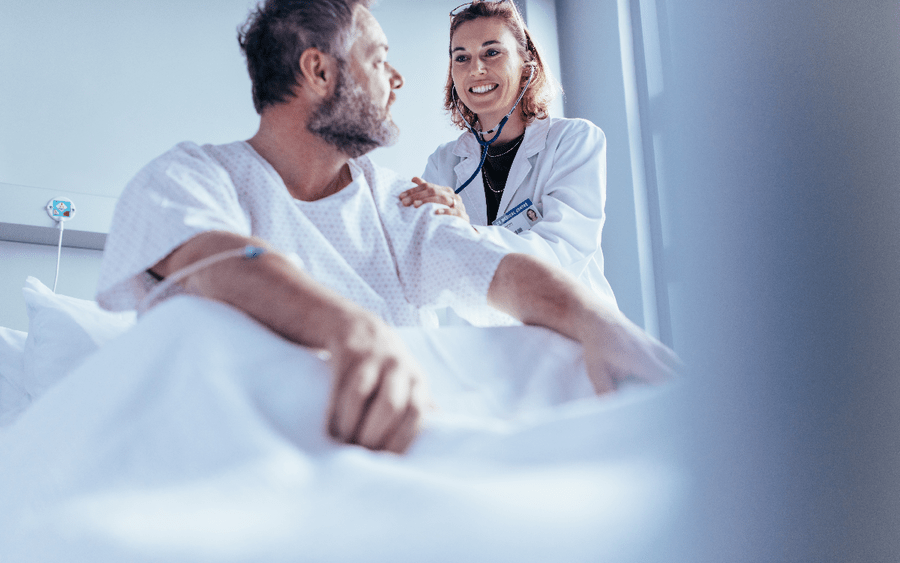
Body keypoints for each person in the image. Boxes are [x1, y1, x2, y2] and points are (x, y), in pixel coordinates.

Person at [96, 0, 678, 455]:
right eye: (377, 59)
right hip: (236, 448)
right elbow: (216, 257)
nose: (397, 79)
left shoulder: (393, 198)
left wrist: (597, 321)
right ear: (318, 71)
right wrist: (354, 331)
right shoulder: (190, 175)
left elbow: (496, 270)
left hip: (386, 447)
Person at [400, 0, 616, 306]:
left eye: (492, 52)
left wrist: (469, 236)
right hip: (493, 342)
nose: (476, 69)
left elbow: (561, 252)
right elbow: (429, 266)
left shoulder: (573, 140)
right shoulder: (443, 163)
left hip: (574, 337)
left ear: (526, 59)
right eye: (461, 57)